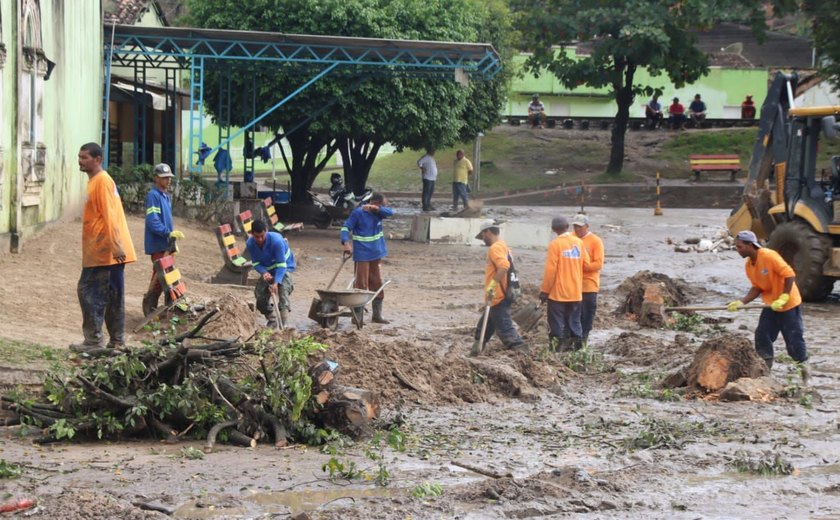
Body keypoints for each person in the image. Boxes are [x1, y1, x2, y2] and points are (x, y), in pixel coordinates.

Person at [72, 142, 137, 352]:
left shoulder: (101, 181)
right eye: (79, 157)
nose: (80, 161)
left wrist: (116, 245)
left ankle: (94, 341)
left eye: (85, 157)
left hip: (105, 252)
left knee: (88, 292)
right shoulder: (97, 181)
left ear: (98, 159)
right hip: (102, 251)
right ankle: (116, 342)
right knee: (112, 295)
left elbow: (111, 216)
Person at [728, 230, 810, 383]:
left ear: (750, 245)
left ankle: (804, 373)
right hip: (771, 306)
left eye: (740, 247)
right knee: (762, 336)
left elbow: (789, 274)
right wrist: (742, 302)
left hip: (788, 304)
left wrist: (784, 296)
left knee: (793, 340)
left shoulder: (769, 256)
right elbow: (757, 287)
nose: (737, 250)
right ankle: (764, 371)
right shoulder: (749, 265)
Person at [470, 220, 526, 356]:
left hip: (498, 296)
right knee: (483, 328)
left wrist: (492, 285)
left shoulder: (495, 248)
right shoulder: (504, 246)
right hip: (502, 294)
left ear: (487, 232)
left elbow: (504, 267)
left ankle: (523, 354)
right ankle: (475, 353)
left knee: (506, 331)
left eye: (483, 235)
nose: (483, 239)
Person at [539, 216, 589, 351]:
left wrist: (545, 291)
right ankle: (579, 349)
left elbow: (550, 271)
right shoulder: (579, 243)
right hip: (576, 292)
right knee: (575, 322)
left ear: (553, 229)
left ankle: (557, 349)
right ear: (568, 226)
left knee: (556, 323)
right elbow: (587, 264)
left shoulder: (555, 244)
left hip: (558, 294)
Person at [341, 192, 393, 323]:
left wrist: (377, 209)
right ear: (375, 202)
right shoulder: (358, 213)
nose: (383, 208)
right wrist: (346, 243)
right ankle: (357, 317)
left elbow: (390, 212)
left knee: (377, 283)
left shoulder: (379, 212)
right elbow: (345, 228)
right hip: (362, 254)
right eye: (381, 205)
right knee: (361, 284)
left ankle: (377, 315)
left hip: (377, 253)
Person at [142, 163, 185, 317]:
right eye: (164, 178)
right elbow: (152, 221)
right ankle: (149, 305)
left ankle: (164, 305)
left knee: (164, 276)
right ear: (156, 179)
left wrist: (171, 241)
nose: (168, 180)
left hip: (165, 244)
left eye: (169, 178)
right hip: (157, 244)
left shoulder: (165, 196)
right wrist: (168, 234)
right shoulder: (153, 196)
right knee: (161, 277)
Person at [246, 219, 291, 328]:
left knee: (283, 291)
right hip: (267, 268)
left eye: (262, 236)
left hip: (283, 267)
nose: (260, 239)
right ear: (252, 234)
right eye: (257, 237)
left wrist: (276, 283)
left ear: (266, 231)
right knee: (259, 295)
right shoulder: (250, 243)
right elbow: (256, 263)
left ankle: (284, 325)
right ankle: (272, 320)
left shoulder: (277, 242)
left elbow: (281, 265)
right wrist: (264, 272)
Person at [572, 214, 604, 344]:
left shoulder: (595, 241)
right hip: (573, 284)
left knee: (587, 313)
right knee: (574, 314)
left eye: (580, 227)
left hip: (589, 284)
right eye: (575, 226)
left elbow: (598, 264)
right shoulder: (570, 238)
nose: (577, 229)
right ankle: (572, 339)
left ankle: (583, 339)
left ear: (587, 226)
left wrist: (581, 266)